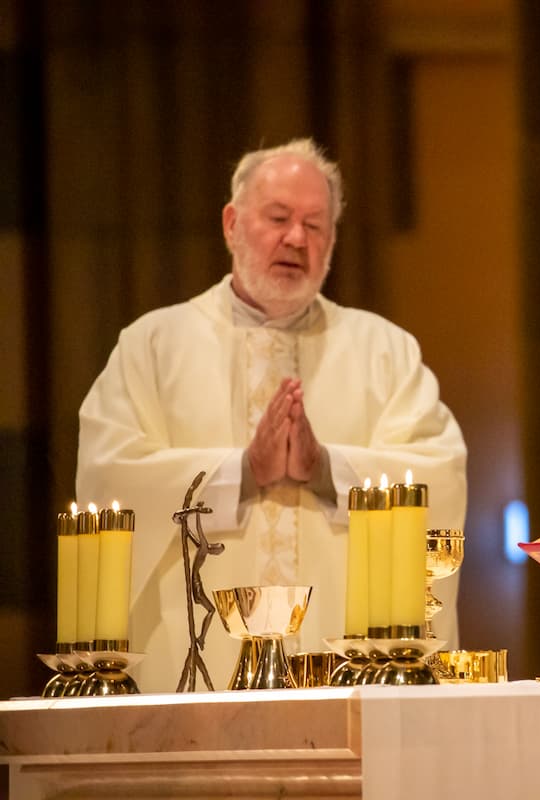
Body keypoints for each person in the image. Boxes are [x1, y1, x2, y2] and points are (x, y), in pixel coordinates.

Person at [76, 138, 468, 693]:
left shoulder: (384, 351)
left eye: (315, 225)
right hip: (193, 667)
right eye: (278, 217)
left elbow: (440, 473)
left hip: (345, 671)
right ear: (232, 224)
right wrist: (239, 472)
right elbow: (106, 477)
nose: (296, 239)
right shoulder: (153, 346)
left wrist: (328, 468)